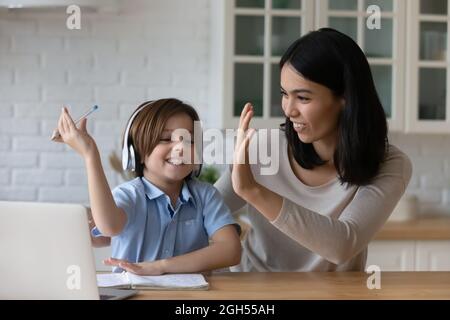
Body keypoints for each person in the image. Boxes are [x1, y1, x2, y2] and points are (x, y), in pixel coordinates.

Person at [214, 28, 413, 272]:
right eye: (285, 94)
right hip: (256, 293)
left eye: (303, 98)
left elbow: (343, 244)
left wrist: (252, 191)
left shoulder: (389, 163)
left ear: (345, 98)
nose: (288, 110)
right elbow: (201, 213)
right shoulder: (263, 146)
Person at [54, 98, 241, 275]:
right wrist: (90, 155)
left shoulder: (206, 195)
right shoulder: (129, 195)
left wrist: (160, 267)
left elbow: (231, 250)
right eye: (166, 139)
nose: (180, 148)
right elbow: (109, 227)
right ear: (137, 153)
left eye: (189, 140)